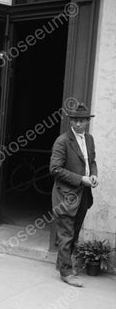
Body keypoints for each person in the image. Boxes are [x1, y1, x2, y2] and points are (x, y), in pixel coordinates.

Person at [50, 103, 98, 287]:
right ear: (71, 121)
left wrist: (93, 175)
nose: (78, 124)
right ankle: (66, 273)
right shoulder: (62, 141)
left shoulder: (89, 139)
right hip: (66, 194)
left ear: (87, 121)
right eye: (75, 120)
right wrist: (81, 179)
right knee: (66, 232)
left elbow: (92, 160)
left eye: (82, 120)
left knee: (75, 231)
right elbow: (54, 169)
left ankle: (62, 263)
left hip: (83, 193)